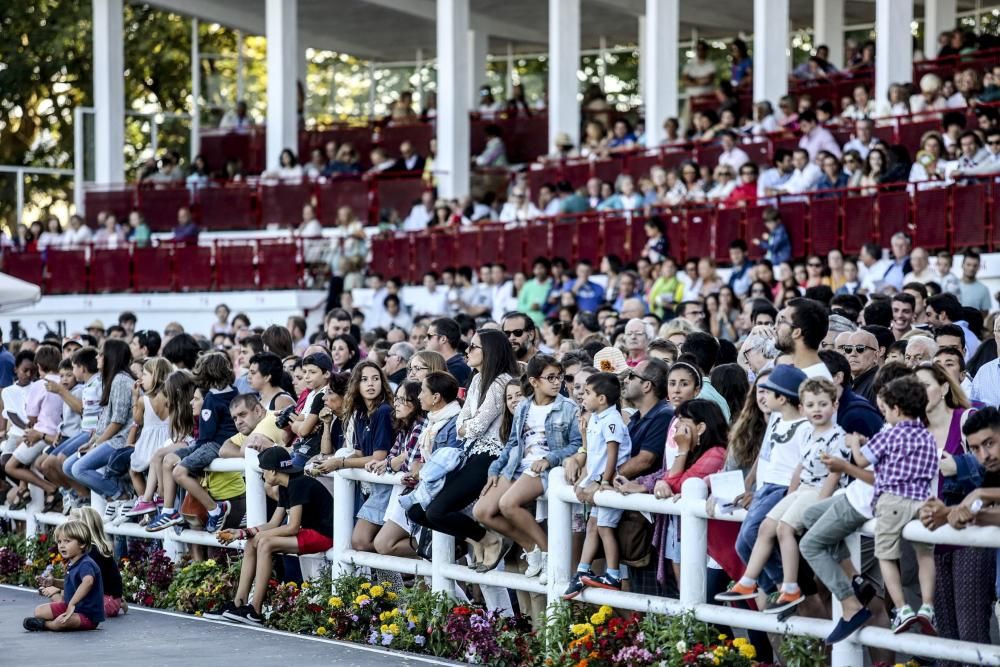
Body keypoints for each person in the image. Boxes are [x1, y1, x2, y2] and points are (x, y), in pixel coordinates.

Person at [717, 378, 848, 613]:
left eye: (822, 404)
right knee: (766, 527)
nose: (816, 410)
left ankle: (790, 587)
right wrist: (790, 495)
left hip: (818, 492)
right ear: (803, 408)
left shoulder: (838, 437)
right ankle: (748, 581)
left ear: (835, 406)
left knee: (783, 529)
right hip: (801, 489)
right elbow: (800, 467)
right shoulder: (809, 433)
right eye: (811, 405)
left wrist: (819, 504)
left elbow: (834, 473)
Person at [406, 329, 519, 569]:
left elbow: (476, 426)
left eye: (473, 347)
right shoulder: (477, 379)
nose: (467, 351)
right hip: (470, 453)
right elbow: (463, 419)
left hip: (491, 455)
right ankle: (477, 538)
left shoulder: (501, 382)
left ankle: (490, 540)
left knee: (436, 511)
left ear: (489, 351)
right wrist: (467, 427)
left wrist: (467, 427)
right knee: (417, 511)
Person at [475, 355, 581, 580]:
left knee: (507, 504)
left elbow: (577, 445)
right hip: (517, 465)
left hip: (544, 468)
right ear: (534, 381)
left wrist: (551, 458)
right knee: (482, 511)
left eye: (559, 377)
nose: (557, 382)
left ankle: (549, 554)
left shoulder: (569, 408)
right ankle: (532, 548)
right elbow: (513, 442)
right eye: (550, 377)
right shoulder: (524, 406)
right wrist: (495, 468)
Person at [849, 376, 939, 634]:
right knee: (925, 555)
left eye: (886, 410)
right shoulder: (927, 436)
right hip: (921, 500)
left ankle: (902, 609)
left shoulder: (889, 434)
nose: (885, 415)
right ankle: (928, 607)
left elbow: (861, 461)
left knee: (886, 556)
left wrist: (855, 443)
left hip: (892, 502)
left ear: (896, 410)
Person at [209, 447, 333, 625]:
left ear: (273, 471)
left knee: (265, 543)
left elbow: (292, 527)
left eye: (264, 470)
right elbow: (274, 524)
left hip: (323, 535)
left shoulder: (298, 484)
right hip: (309, 532)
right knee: (253, 541)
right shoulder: (286, 485)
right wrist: (245, 533)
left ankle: (255, 610)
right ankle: (239, 603)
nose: (262, 475)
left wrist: (259, 536)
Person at [731, 364, 808, 598]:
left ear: (782, 398)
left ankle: (783, 583)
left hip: (782, 489)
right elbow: (766, 452)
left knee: (753, 533)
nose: (762, 395)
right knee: (742, 544)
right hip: (765, 487)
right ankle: (770, 588)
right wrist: (750, 481)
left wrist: (791, 495)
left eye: (768, 391)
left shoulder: (804, 425)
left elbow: (802, 464)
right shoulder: (776, 418)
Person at [146, 353, 238, 532]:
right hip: (212, 444)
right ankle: (168, 510)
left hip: (213, 445)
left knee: (179, 472)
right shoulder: (233, 392)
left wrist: (192, 454)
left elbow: (206, 436)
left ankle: (215, 509)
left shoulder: (211, 399)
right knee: (168, 459)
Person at [561, 372, 632, 596]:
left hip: (609, 485)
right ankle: (582, 571)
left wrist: (604, 481)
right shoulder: (596, 419)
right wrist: (583, 480)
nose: (582, 396)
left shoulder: (612, 420)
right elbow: (593, 455)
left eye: (588, 393)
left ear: (602, 399)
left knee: (604, 527)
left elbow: (612, 454)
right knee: (593, 526)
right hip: (597, 482)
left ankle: (613, 574)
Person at [23, 519, 105, 632]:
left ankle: (46, 625)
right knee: (39, 611)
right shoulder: (73, 562)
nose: (62, 546)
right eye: (59, 542)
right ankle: (49, 622)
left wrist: (72, 603)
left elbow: (88, 582)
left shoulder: (86, 564)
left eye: (67, 541)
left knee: (64, 622)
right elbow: (72, 583)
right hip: (69, 606)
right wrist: (53, 582)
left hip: (87, 615)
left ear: (82, 543)